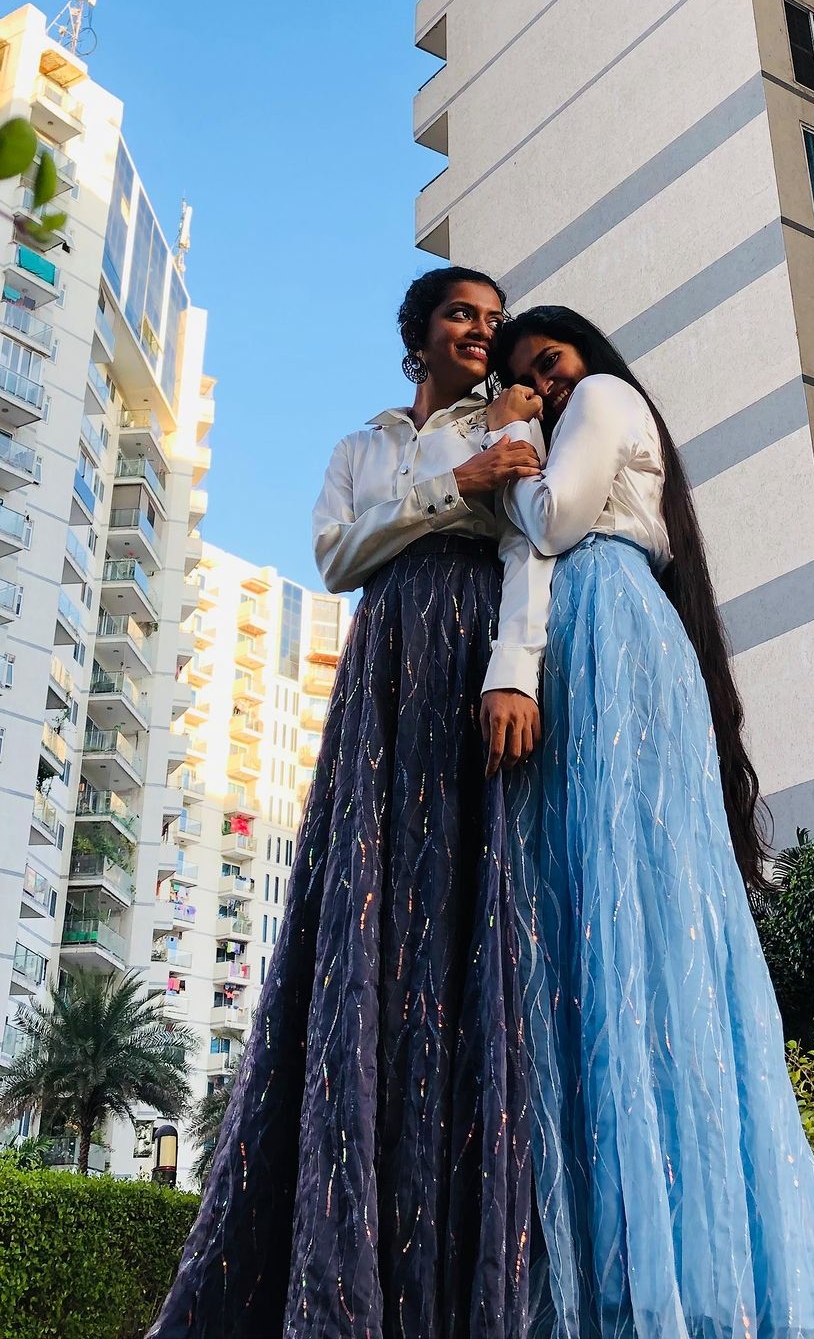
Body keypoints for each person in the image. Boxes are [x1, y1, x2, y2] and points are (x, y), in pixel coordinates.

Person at [490, 305, 814, 1339]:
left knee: (633, 909)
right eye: (531, 381)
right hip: (601, 638)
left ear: (583, 357)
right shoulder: (591, 410)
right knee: (617, 917)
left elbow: (551, 521)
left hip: (612, 634)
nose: (545, 388)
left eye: (546, 366)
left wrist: (509, 452)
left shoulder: (603, 398)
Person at [149, 269, 552, 1339]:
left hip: (470, 651)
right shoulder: (361, 446)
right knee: (372, 898)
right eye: (464, 314)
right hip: (383, 664)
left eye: (494, 319)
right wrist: (453, 481)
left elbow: (529, 546)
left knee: (471, 896)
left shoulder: (516, 416)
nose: (484, 331)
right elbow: (336, 554)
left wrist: (514, 668)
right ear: (418, 332)